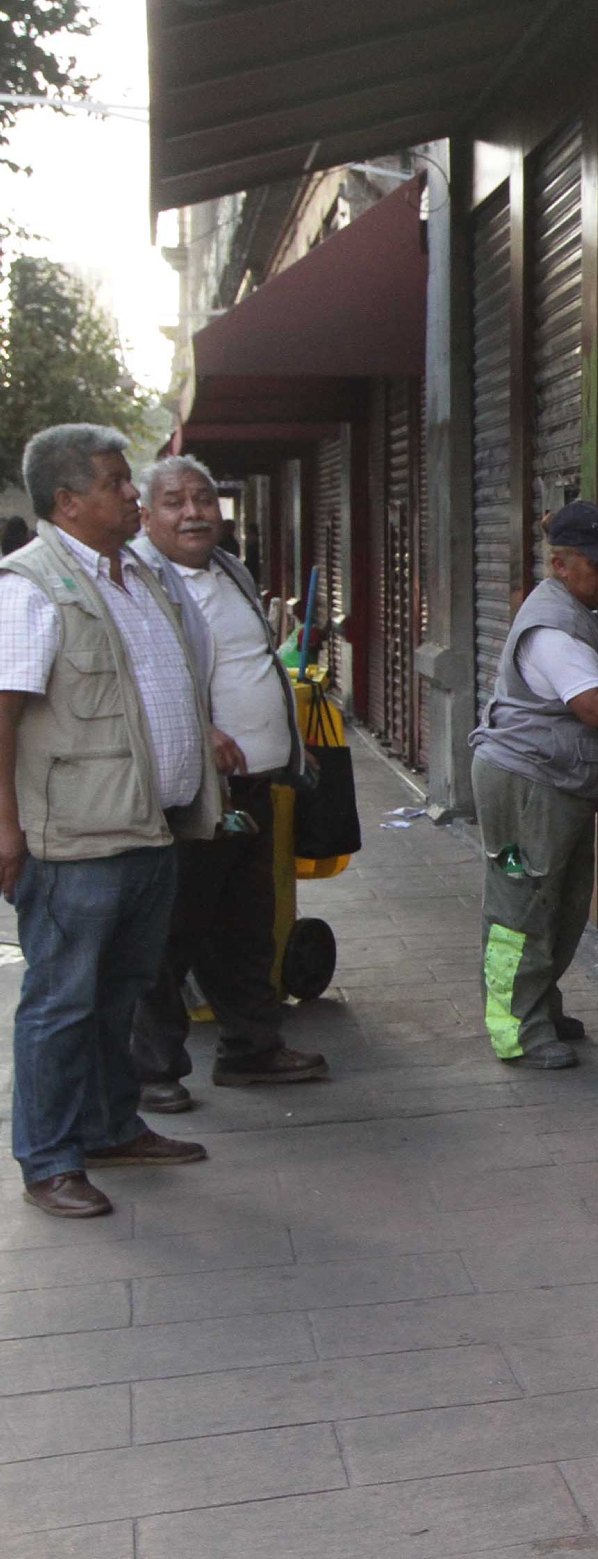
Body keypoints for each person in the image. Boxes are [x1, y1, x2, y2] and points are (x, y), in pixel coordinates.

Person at [0, 425, 217, 1219]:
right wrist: (6, 829)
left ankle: (109, 1125)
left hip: (147, 828)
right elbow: (5, 712)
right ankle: (50, 1159)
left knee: (119, 993)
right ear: (67, 501)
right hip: (74, 841)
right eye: (116, 483)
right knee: (61, 1000)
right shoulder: (30, 585)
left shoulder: (136, 574)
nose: (132, 493)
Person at [128, 456, 328, 1112]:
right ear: (146, 514)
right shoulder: (137, 580)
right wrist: (198, 727)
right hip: (193, 792)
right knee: (173, 930)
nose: (193, 512)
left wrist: (291, 746)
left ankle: (252, 1049)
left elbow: (255, 661)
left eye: (204, 498)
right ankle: (152, 1069)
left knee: (245, 923)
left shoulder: (227, 567)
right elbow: (137, 677)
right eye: (175, 501)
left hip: (253, 787)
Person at [469, 502, 598, 1070]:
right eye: (597, 566)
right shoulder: (553, 626)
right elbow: (593, 707)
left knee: (560, 905)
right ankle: (514, 1028)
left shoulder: (584, 609)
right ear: (560, 564)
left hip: (559, 783)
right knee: (520, 906)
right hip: (529, 784)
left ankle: (539, 1006)